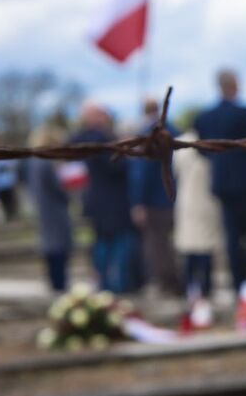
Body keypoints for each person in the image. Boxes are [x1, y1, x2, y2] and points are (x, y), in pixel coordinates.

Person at [195, 70, 246, 302]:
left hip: (222, 184)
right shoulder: (243, 113)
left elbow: (202, 149)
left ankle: (240, 285)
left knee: (232, 237)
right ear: (233, 86)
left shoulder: (205, 117)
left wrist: (219, 161)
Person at [73, 102, 142, 294]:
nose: (106, 118)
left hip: (95, 204)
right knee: (119, 247)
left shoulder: (80, 140)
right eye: (102, 114)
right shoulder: (101, 139)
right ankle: (117, 288)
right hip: (114, 204)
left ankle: (105, 286)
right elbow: (116, 167)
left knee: (102, 246)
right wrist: (128, 155)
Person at [129, 98, 182, 296]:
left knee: (157, 245)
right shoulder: (174, 132)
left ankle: (168, 284)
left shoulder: (147, 136)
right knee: (175, 242)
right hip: (174, 195)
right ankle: (179, 280)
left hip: (153, 200)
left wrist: (138, 202)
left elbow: (140, 173)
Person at [173, 123, 223, 315]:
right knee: (203, 247)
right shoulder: (209, 141)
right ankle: (202, 289)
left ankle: (192, 288)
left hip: (190, 200)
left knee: (191, 246)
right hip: (203, 199)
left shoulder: (181, 145)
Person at [26, 124, 73, 292]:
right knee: (58, 249)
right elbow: (58, 189)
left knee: (49, 246)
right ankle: (59, 286)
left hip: (43, 209)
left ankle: (55, 284)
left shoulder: (33, 162)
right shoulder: (46, 164)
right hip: (54, 210)